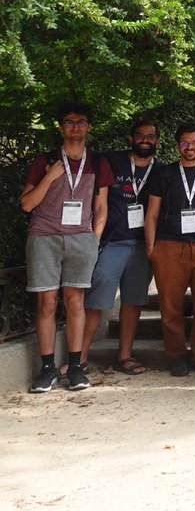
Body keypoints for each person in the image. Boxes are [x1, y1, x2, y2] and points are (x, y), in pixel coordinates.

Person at [22, 103, 111, 392]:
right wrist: (49, 176)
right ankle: (47, 368)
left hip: (81, 239)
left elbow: (101, 208)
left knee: (75, 303)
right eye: (70, 122)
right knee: (46, 303)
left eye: (81, 122)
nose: (75, 127)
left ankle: (75, 367)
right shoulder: (44, 160)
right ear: (62, 127)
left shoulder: (98, 163)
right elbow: (26, 204)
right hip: (44, 237)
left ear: (89, 127)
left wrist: (93, 240)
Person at [145, 122, 195, 377]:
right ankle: (177, 355)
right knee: (171, 306)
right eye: (184, 142)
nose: (189, 147)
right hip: (169, 246)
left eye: (194, 142)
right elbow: (152, 214)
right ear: (177, 144)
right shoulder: (164, 174)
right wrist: (151, 248)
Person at [80, 119, 159, 376]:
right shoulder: (110, 161)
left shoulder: (162, 171)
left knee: (133, 302)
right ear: (130, 138)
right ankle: (77, 360)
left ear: (157, 141)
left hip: (142, 247)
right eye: (140, 135)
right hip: (112, 243)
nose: (144, 140)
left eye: (150, 136)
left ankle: (124, 356)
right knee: (95, 301)